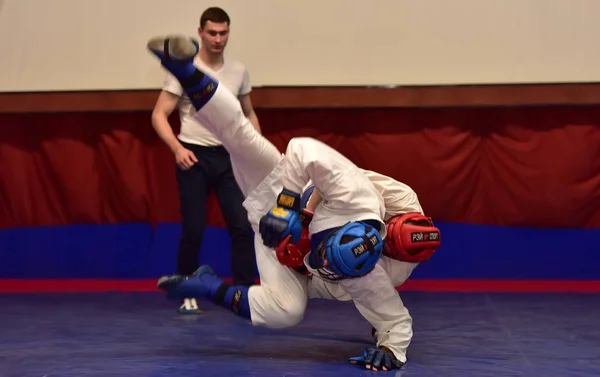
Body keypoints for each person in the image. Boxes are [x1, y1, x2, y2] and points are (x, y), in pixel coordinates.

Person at [146, 35, 439, 372]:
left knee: (285, 312)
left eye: (331, 265)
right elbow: (303, 149)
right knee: (240, 136)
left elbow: (395, 319)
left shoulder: (372, 275)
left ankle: (210, 286)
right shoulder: (358, 196)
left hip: (290, 261)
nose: (323, 261)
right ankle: (186, 72)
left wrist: (391, 348)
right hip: (282, 194)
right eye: (324, 252)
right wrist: (288, 207)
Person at [150, 7, 259, 314]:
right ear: (200, 33)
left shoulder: (238, 71)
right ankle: (187, 287)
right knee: (194, 227)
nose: (217, 39)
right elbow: (159, 115)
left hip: (227, 158)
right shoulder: (185, 70)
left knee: (240, 224)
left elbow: (248, 112)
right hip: (192, 157)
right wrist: (176, 149)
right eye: (212, 33)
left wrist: (253, 150)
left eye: (223, 33)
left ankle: (244, 293)